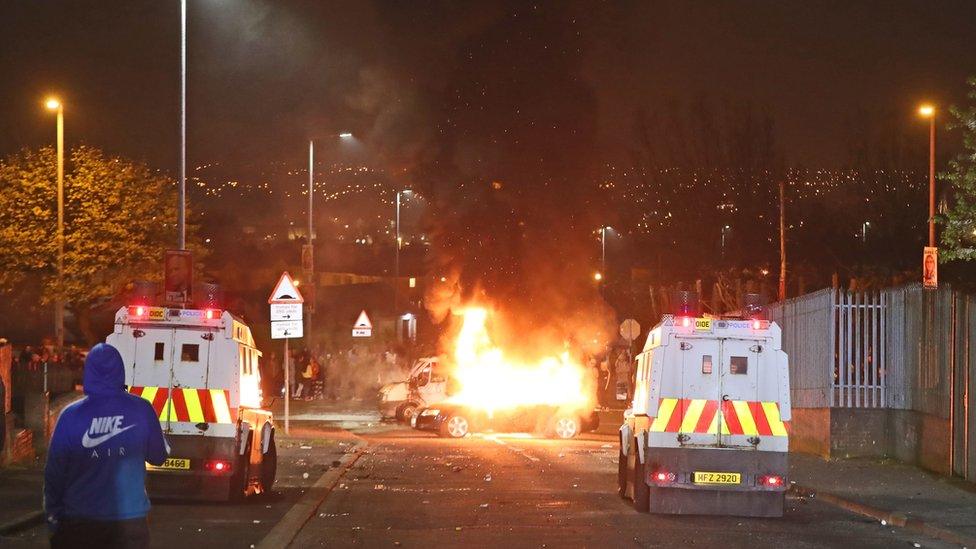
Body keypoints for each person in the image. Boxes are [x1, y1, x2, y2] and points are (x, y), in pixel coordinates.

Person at [44, 343, 169, 548]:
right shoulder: (142, 409)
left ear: (89, 372)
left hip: (80, 521)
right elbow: (158, 456)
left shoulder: (71, 415)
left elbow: (55, 473)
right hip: (129, 523)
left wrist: (53, 515)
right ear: (121, 370)